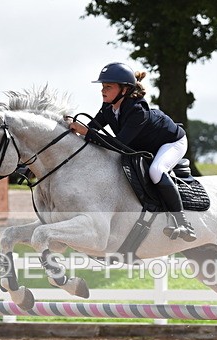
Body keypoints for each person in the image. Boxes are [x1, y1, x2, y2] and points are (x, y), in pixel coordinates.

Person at [70, 62, 196, 242]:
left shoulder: (137, 110)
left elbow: (119, 144)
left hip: (171, 142)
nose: (102, 90)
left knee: (156, 170)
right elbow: (92, 128)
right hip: (145, 144)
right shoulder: (108, 106)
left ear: (124, 90)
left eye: (108, 86)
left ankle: (182, 222)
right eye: (103, 86)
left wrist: (87, 133)